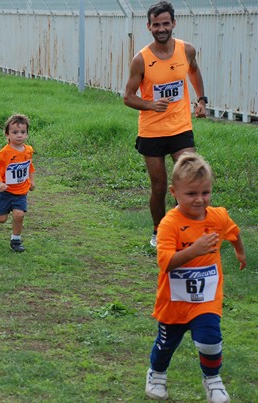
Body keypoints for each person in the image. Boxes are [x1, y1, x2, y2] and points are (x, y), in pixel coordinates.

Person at [144, 152, 246, 402]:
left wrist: (240, 252)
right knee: (166, 345)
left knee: (210, 342)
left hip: (206, 298)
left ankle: (212, 379)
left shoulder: (217, 217)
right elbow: (165, 263)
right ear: (174, 192)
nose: (200, 200)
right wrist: (194, 250)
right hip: (174, 300)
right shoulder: (170, 224)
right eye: (191, 194)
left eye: (206, 192)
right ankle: (156, 373)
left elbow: (233, 232)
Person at [123, 1, 207, 247]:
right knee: (159, 186)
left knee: (190, 178)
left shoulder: (186, 50)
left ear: (174, 24)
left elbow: (193, 72)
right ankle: (159, 231)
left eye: (166, 23)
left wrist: (201, 99)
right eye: (156, 24)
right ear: (148, 26)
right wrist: (150, 105)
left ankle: (190, 230)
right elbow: (128, 97)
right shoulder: (141, 59)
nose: (161, 28)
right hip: (152, 131)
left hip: (181, 127)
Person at [0, 114, 36, 253]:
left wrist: (31, 180)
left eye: (22, 132)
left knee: (19, 215)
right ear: (7, 134)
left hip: (21, 191)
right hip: (5, 191)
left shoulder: (28, 150)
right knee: (1, 219)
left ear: (27, 134)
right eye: (15, 132)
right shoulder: (4, 153)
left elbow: (30, 166)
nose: (19, 135)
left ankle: (16, 240)